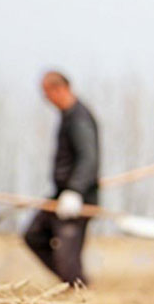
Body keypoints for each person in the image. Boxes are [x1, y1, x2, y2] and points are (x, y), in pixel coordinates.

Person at [25, 69, 99, 288]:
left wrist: (75, 191)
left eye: (46, 94)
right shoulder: (68, 117)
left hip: (77, 201)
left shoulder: (79, 119)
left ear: (59, 89)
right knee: (34, 235)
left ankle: (81, 297)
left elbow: (89, 158)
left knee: (68, 260)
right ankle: (74, 285)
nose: (46, 99)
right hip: (60, 196)